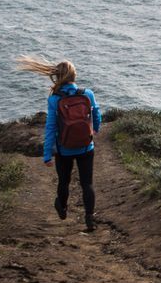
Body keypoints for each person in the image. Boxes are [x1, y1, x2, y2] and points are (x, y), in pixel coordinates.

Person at [15, 56, 103, 231]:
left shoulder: (55, 99)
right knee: (87, 184)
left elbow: (50, 127)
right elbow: (97, 116)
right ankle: (90, 219)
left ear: (58, 77)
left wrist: (47, 154)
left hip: (64, 149)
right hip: (86, 147)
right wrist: (93, 132)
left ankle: (62, 208)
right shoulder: (87, 93)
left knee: (64, 181)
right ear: (74, 75)